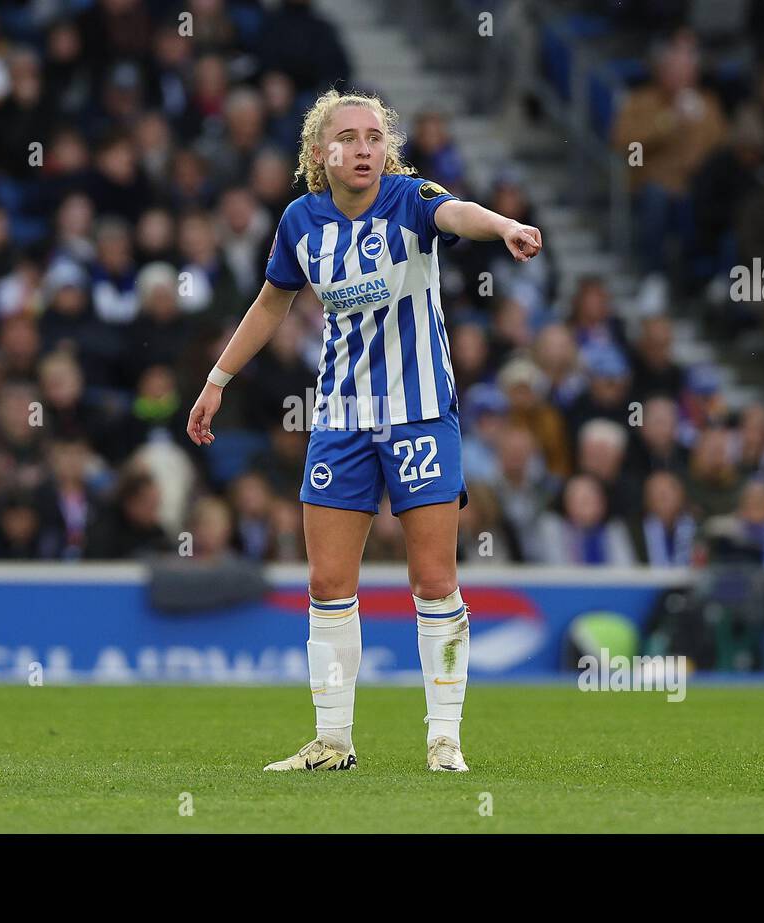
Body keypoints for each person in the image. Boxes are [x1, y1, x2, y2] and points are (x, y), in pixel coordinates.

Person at [186, 89, 542, 773]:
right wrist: (216, 380)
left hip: (419, 412)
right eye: (347, 137)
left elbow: (456, 212)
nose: (363, 148)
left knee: (434, 578)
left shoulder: (409, 199)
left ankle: (444, 738)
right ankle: (333, 741)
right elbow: (270, 303)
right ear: (320, 152)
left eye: (374, 137)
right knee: (326, 579)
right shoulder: (300, 220)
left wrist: (502, 226)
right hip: (341, 416)